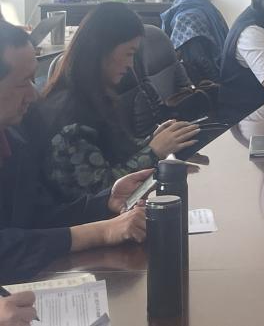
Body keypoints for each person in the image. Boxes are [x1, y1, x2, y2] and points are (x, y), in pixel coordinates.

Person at [0, 21, 151, 280]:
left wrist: (104, 202)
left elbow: (35, 216)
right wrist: (101, 232)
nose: (34, 95)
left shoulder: (14, 137)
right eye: (23, 82)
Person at [29, 3, 200, 202]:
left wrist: (153, 140)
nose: (130, 65)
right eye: (129, 54)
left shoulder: (94, 95)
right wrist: (154, 152)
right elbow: (102, 192)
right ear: (101, 50)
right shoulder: (71, 120)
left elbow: (114, 154)